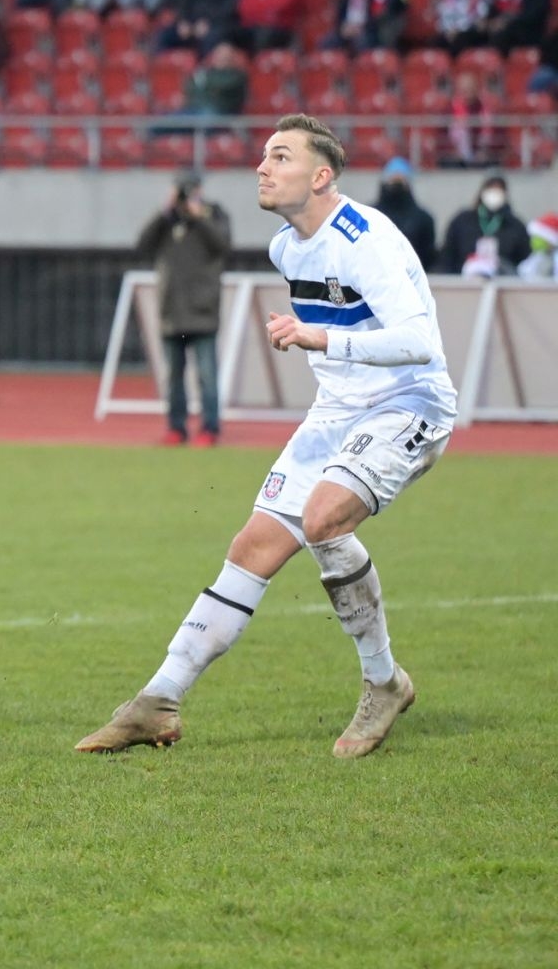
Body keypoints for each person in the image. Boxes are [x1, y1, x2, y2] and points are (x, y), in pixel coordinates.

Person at [79, 114, 455, 759]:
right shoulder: (286, 246)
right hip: (336, 412)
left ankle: (383, 682)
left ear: (321, 175)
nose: (262, 166)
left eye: (281, 156)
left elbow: (419, 341)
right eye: (262, 155)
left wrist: (320, 337)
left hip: (407, 402)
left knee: (324, 519)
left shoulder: (364, 240)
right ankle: (158, 699)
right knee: (251, 547)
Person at [136, 171, 233, 446]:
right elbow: (142, 244)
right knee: (173, 377)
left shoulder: (214, 214)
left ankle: (210, 428)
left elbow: (223, 246)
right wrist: (164, 211)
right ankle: (176, 427)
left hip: (202, 311)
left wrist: (199, 216)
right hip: (172, 312)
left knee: (207, 375)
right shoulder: (167, 220)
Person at [438, 175, 532, 276]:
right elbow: (447, 255)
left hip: (503, 280)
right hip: (463, 279)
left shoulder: (515, 226)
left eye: (499, 190)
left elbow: (524, 261)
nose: (494, 194)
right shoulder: (462, 221)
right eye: (491, 189)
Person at [373, 158, 437, 270]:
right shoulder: (370, 216)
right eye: (393, 181)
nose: (396, 187)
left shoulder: (424, 219)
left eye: (400, 182)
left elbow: (428, 259)